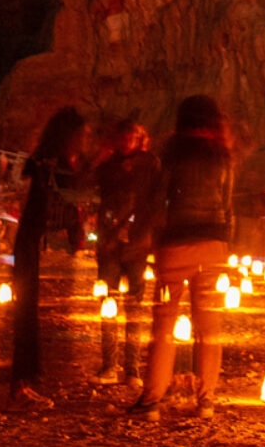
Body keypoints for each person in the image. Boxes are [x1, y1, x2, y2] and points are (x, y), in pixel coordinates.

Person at [136, 95, 234, 416]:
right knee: (210, 328)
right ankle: (206, 399)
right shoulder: (222, 156)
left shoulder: (170, 153)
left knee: (164, 326)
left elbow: (157, 201)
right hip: (213, 247)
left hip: (175, 248)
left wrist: (147, 238)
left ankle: (152, 399)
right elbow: (227, 204)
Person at [7, 107, 91, 393]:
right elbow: (71, 194)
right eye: (82, 134)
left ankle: (34, 369)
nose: (85, 139)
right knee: (31, 308)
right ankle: (27, 372)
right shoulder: (50, 163)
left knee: (36, 309)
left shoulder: (56, 162)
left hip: (41, 241)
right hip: (37, 242)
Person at [91, 118, 158, 383]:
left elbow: (153, 203)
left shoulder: (151, 165)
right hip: (109, 245)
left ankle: (132, 369)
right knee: (108, 304)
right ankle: (109, 365)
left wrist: (140, 233)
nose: (127, 142)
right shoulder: (108, 165)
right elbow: (86, 183)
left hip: (137, 245)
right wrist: (99, 158)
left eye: (133, 136)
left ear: (141, 138)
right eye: (123, 137)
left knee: (135, 306)